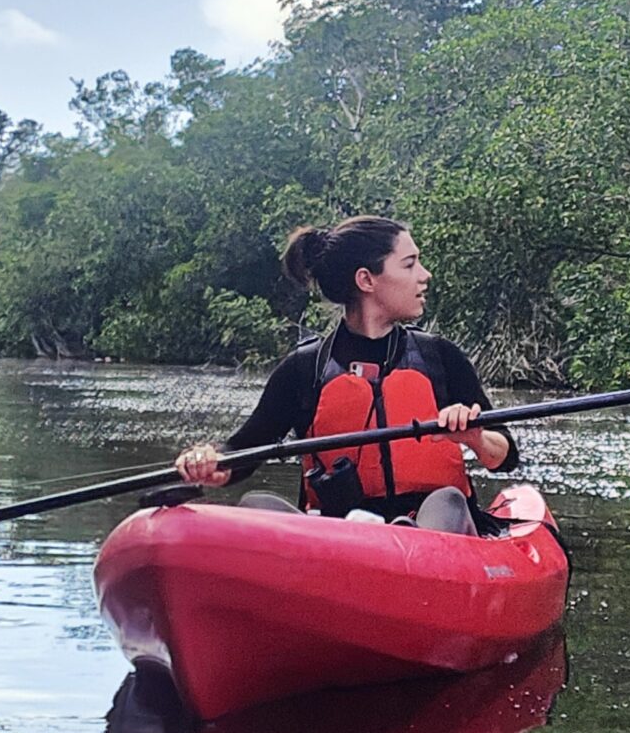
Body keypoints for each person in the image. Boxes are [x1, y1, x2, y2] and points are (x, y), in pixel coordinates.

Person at [174, 218, 516, 535]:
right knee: (257, 504)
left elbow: (505, 456)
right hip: (340, 539)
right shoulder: (303, 371)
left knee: (447, 500)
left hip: (433, 533)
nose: (424, 275)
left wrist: (475, 437)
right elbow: (240, 453)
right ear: (366, 279)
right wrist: (208, 462)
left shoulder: (439, 357)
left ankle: (406, 544)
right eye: (410, 264)